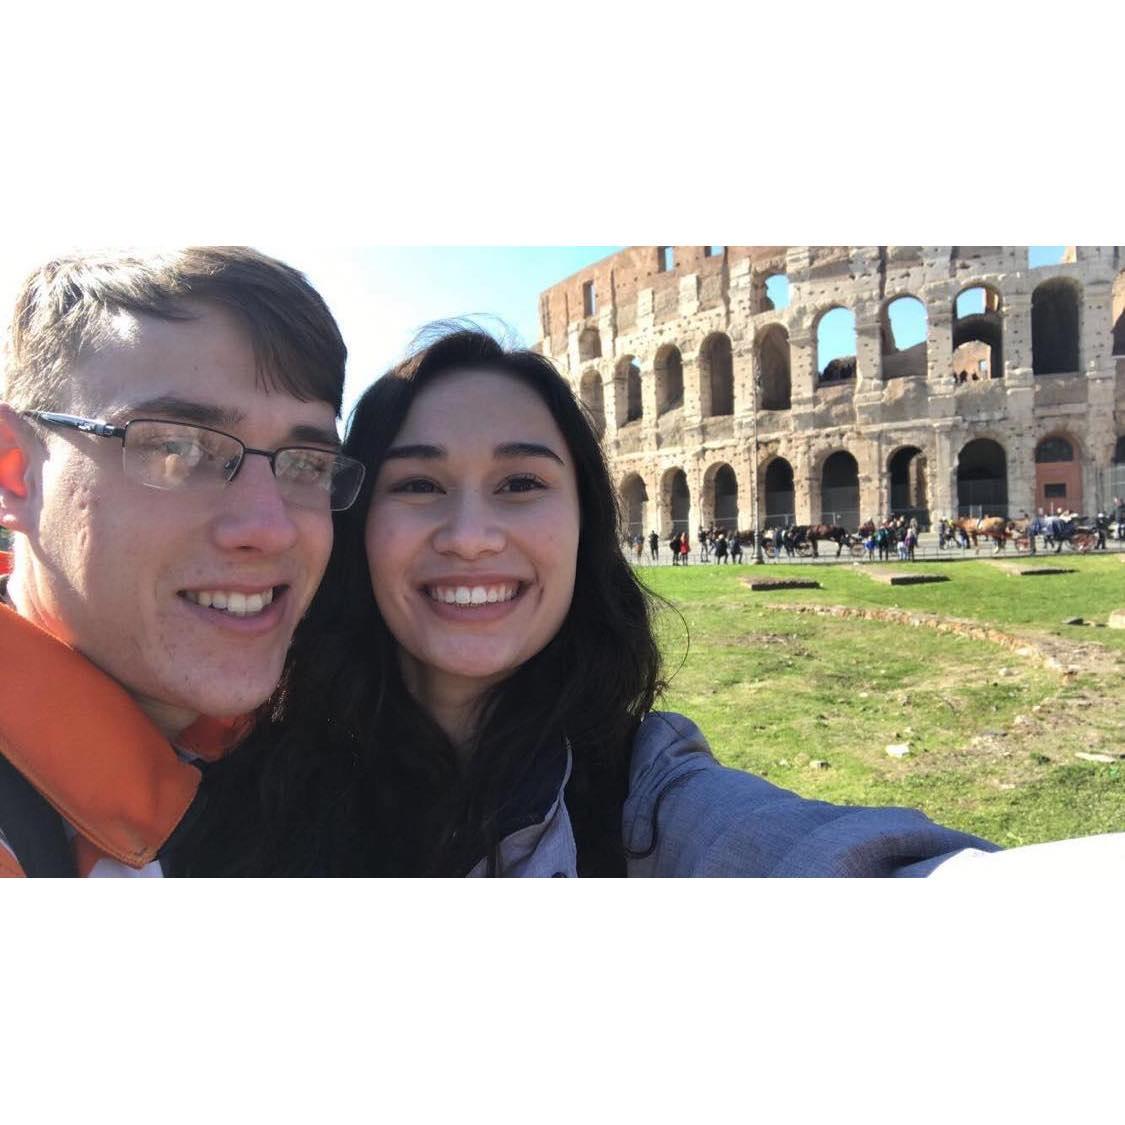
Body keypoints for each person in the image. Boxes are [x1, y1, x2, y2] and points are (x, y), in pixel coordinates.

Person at [190, 327, 1001, 877]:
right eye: (418, 484)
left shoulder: (644, 787)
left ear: (583, 522)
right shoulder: (220, 785)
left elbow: (818, 854)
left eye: (520, 483)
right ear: (356, 519)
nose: (470, 536)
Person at [0, 247, 361, 877]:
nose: (270, 527)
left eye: (305, 462)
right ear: (15, 473)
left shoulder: (290, 748)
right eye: (177, 447)